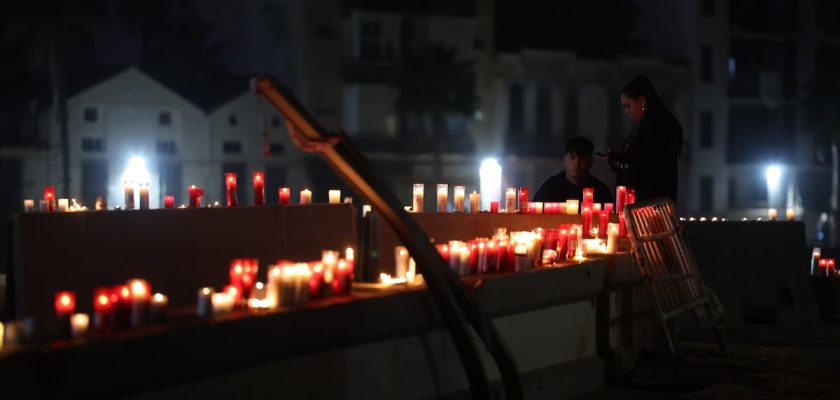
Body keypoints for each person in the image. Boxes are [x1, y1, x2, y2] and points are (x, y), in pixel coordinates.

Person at [606, 74, 683, 203]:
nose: (626, 112)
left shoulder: (660, 128)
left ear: (642, 102)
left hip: (649, 207)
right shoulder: (645, 128)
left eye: (628, 106)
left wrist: (621, 160)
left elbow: (650, 166)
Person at [533, 136, 613, 204]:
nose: (576, 163)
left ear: (591, 161)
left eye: (582, 158)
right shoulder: (551, 188)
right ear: (565, 160)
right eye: (572, 157)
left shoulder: (600, 191)